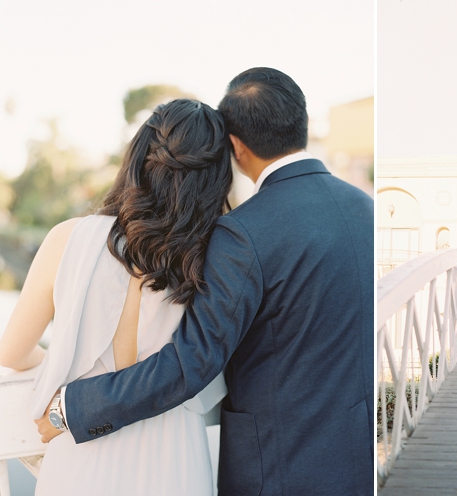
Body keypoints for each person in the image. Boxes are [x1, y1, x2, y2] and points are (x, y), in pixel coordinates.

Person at [36, 68, 374, 495]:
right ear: (300, 122)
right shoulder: (365, 208)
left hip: (276, 469)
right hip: (356, 459)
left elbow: (192, 360)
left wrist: (73, 407)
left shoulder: (245, 231)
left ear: (235, 145)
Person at [0, 99, 233, 494]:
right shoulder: (214, 258)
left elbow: (12, 352)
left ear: (137, 158)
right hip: (173, 458)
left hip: (79, 450)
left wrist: (64, 365)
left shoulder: (66, 239)